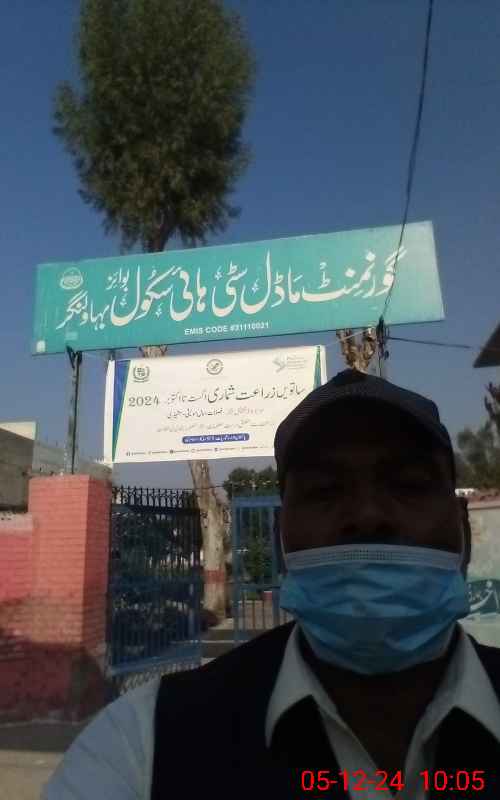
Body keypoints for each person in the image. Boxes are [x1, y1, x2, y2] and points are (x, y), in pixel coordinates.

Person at [43, 369, 500, 800]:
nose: (367, 515)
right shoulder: (142, 744)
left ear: (462, 527)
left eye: (408, 485)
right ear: (282, 541)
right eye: (324, 491)